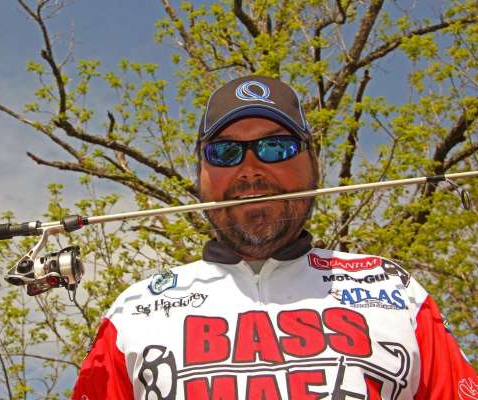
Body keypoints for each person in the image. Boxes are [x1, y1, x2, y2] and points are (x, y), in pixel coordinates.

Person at [72, 76, 476, 399]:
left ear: (313, 165)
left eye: (276, 147)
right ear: (201, 176)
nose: (250, 169)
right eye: (225, 152)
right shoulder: (135, 310)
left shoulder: (394, 290)